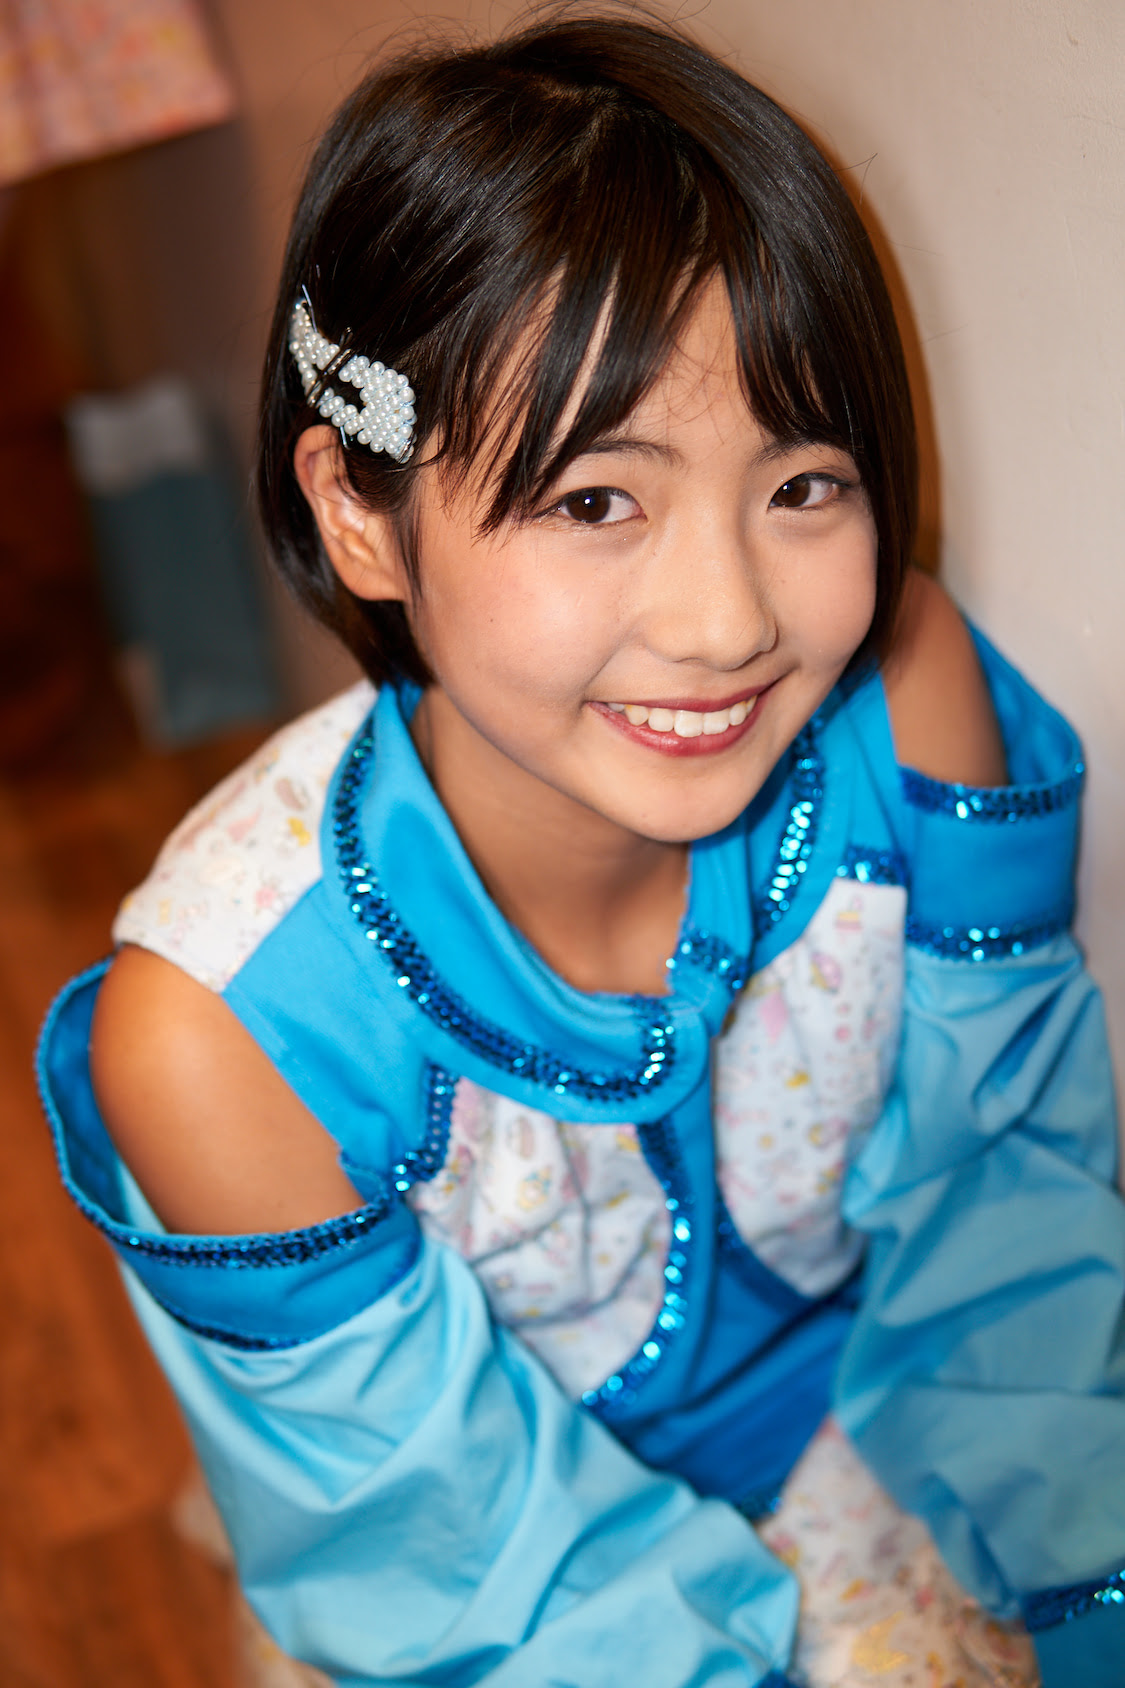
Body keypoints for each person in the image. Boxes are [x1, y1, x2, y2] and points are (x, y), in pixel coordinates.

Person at [38, 11, 1124, 1686]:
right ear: (356, 510)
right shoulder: (226, 1035)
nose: (726, 620)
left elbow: (1006, 1208)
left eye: (804, 484)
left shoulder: (901, 695)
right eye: (595, 501)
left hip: (873, 1416)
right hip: (478, 1573)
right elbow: (467, 1571)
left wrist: (1086, 1597)